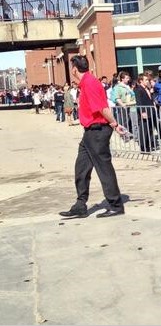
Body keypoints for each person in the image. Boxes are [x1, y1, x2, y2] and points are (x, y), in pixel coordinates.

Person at [59, 55, 127, 218]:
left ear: (74, 69)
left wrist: (115, 124)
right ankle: (80, 205)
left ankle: (116, 205)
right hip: (89, 132)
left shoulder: (90, 83)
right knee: (81, 168)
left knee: (103, 168)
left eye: (71, 67)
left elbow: (103, 109)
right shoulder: (86, 83)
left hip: (98, 131)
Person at [133, 73, 158, 153]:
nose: (148, 81)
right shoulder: (138, 89)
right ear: (141, 81)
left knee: (150, 129)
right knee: (144, 130)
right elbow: (139, 102)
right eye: (146, 80)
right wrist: (142, 112)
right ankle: (144, 148)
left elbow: (151, 99)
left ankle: (149, 145)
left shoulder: (147, 88)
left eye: (148, 80)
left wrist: (151, 92)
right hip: (145, 112)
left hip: (151, 112)